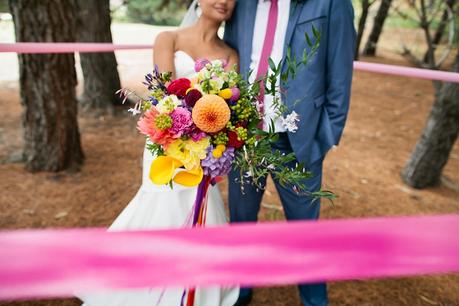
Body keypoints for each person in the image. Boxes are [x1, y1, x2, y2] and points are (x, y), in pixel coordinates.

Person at [78, 1, 239, 305]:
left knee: (197, 209)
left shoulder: (230, 55)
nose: (224, 1)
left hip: (204, 151)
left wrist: (214, 133)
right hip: (166, 141)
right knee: (162, 205)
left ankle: (189, 290)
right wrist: (190, 126)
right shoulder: (169, 39)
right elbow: (165, 97)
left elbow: (230, 107)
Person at [224, 0, 356, 305]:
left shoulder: (332, 4)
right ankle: (240, 291)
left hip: (299, 139)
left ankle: (314, 300)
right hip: (245, 135)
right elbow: (232, 56)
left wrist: (325, 136)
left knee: (305, 231)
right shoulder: (242, 4)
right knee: (241, 222)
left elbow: (340, 73)